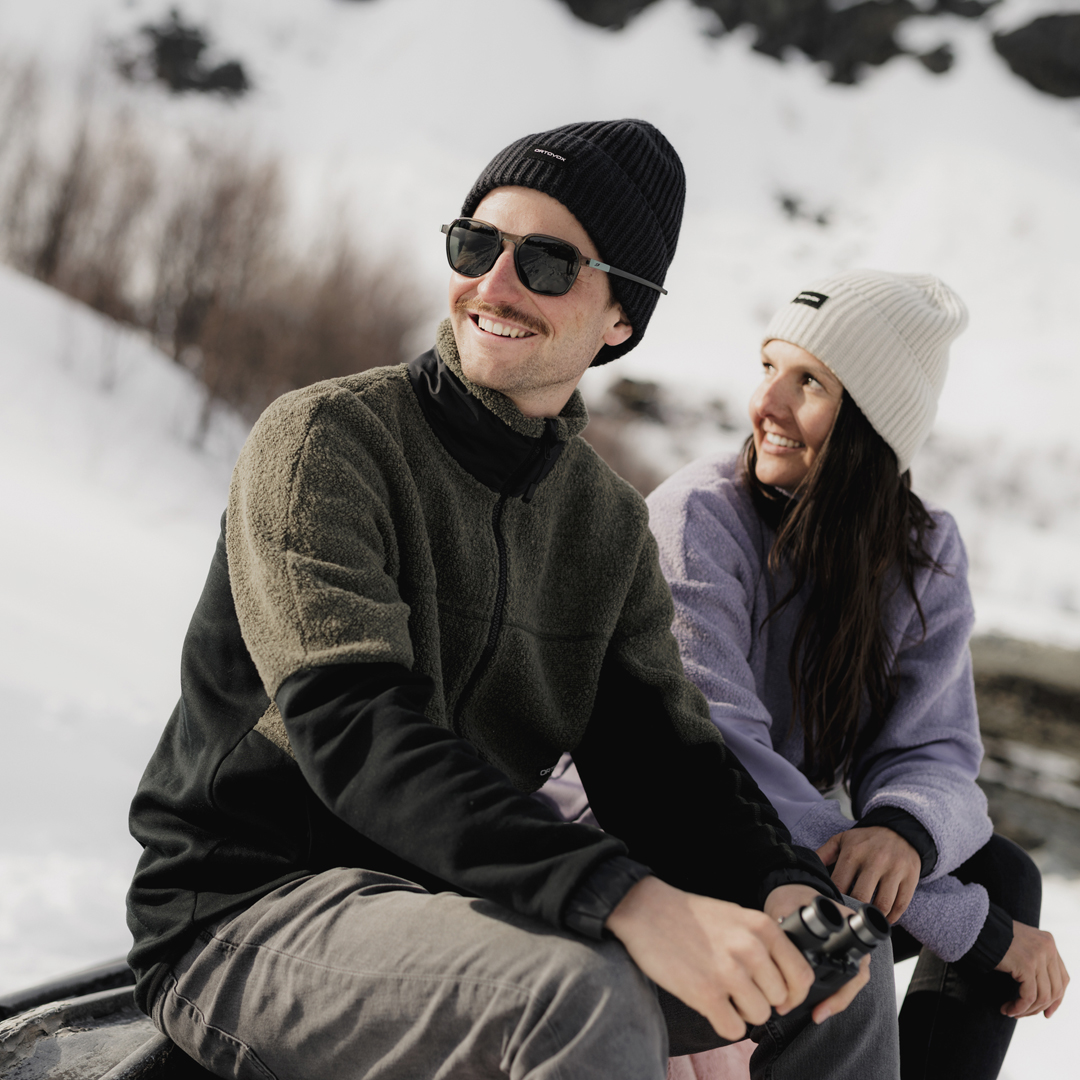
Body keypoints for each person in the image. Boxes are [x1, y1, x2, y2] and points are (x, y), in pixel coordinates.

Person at [125, 122, 897, 1080]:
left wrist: (776, 883)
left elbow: (662, 763)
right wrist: (623, 896)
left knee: (829, 982)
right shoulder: (327, 442)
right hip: (250, 912)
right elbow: (354, 731)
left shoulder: (604, 524)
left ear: (621, 317)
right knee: (582, 994)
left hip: (455, 914)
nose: (493, 284)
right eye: (475, 244)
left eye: (547, 262)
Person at [643, 270, 1070, 1079]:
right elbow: (720, 759)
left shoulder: (921, 554)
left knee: (1003, 873)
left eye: (809, 382)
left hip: (795, 847)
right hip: (677, 837)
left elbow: (936, 748)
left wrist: (905, 832)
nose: (766, 404)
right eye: (768, 367)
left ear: (876, 422)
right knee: (869, 929)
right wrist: (976, 932)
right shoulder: (696, 518)